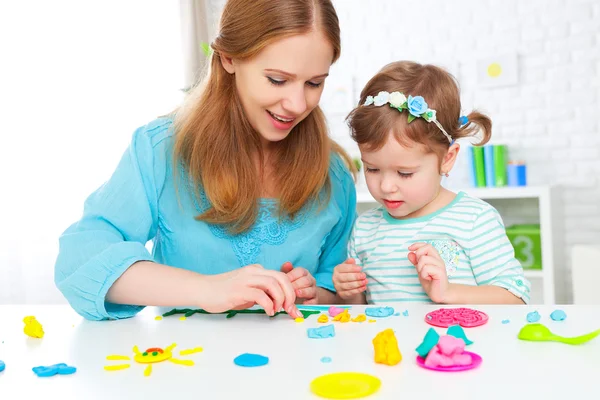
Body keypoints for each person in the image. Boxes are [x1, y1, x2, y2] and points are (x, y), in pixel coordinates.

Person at [54, 0, 357, 321]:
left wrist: (314, 292)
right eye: (277, 80)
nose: (297, 104)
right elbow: (80, 261)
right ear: (229, 57)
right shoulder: (160, 150)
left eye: (314, 83)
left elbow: (339, 292)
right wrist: (208, 290)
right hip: (184, 363)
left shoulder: (333, 175)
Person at [332, 61, 530, 305]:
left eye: (404, 173)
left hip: (460, 343)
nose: (386, 186)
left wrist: (448, 292)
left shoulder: (474, 220)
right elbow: (360, 312)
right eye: (372, 169)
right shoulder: (364, 229)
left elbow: (515, 298)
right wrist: (350, 293)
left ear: (447, 159)